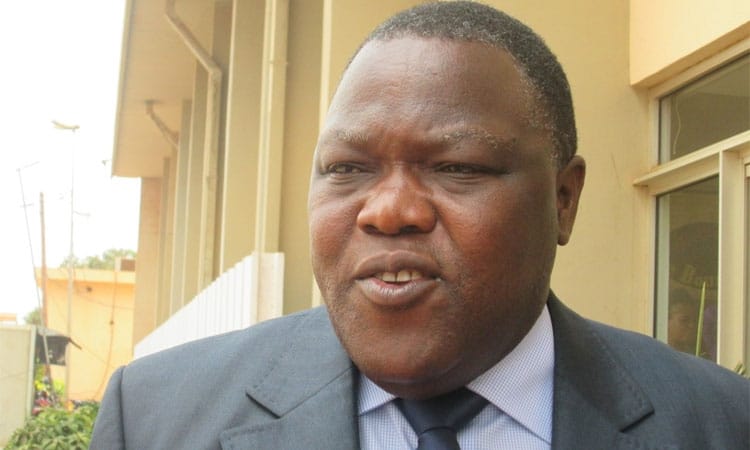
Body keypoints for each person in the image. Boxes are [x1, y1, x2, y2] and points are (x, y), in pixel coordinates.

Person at [90, 2, 749, 449]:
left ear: (564, 199)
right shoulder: (153, 418)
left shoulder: (721, 425)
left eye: (457, 167)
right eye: (347, 168)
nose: (387, 211)